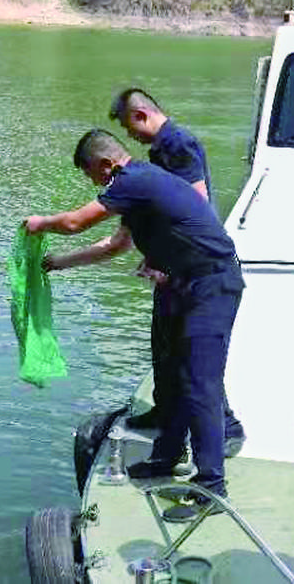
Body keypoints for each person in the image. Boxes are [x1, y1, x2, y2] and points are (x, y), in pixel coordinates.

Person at [25, 129, 244, 523]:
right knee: (174, 377)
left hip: (212, 284)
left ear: (107, 164)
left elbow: (76, 223)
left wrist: (40, 223)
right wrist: (58, 263)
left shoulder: (134, 180)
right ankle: (166, 457)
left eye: (93, 175)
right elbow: (115, 246)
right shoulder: (139, 188)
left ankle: (212, 486)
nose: (94, 184)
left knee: (199, 383)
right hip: (181, 282)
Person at [109, 88, 245, 456]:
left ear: (140, 116)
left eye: (128, 126)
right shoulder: (161, 149)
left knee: (194, 350)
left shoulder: (176, 144)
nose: (129, 135)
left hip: (192, 265)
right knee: (166, 341)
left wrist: (164, 252)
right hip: (175, 261)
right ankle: (166, 411)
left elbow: (195, 201)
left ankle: (226, 425)